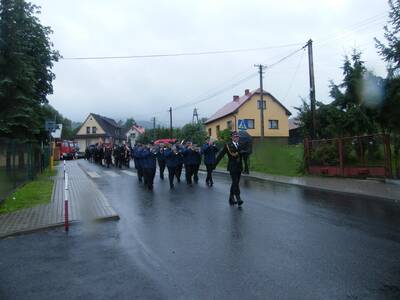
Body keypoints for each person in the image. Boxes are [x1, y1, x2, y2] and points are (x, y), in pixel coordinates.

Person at [215, 131, 244, 206]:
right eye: (235, 136)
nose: (237, 138)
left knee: (236, 182)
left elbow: (243, 155)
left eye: (237, 136)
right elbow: (221, 155)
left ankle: (231, 198)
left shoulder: (240, 145)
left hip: (239, 166)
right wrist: (214, 165)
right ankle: (238, 198)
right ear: (232, 137)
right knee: (235, 182)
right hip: (232, 166)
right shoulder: (228, 145)